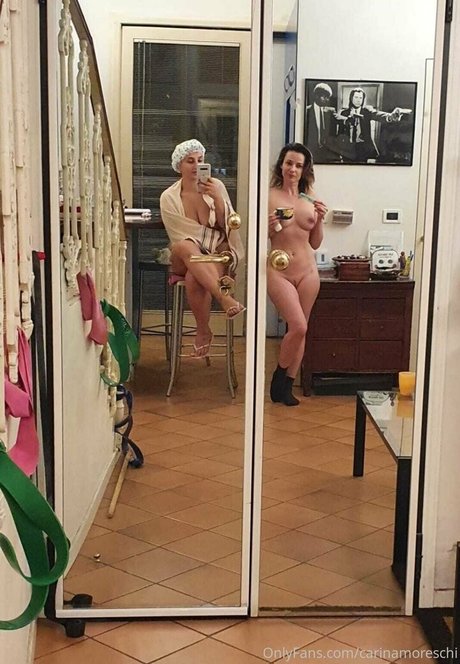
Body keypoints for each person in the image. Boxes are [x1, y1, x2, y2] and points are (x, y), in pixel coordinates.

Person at [160, 139, 245, 358]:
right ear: (179, 166)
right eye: (190, 161)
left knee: (194, 276)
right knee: (185, 245)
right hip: (183, 256)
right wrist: (202, 244)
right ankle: (224, 298)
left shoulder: (216, 187)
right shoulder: (168, 197)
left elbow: (229, 226)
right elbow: (178, 234)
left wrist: (218, 199)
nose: (196, 165)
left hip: (214, 254)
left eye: (200, 160)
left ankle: (203, 331)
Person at [267, 142, 327, 406]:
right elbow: (262, 237)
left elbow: (315, 243)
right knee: (298, 325)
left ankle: (287, 386)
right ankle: (279, 376)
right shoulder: (269, 196)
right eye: (289, 163)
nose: (293, 169)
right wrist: (270, 227)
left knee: (301, 330)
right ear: (281, 165)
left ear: (304, 170)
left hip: (307, 271)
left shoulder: (309, 199)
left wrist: (320, 219)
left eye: (298, 165)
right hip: (279, 270)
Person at [336, 87, 404, 162]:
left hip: (363, 147)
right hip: (348, 148)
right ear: (351, 98)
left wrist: (391, 116)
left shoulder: (367, 111)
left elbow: (378, 114)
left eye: (360, 98)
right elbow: (340, 132)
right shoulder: (344, 113)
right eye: (356, 97)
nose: (358, 100)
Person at [304, 83, 339, 162]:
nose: (327, 100)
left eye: (328, 97)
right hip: (311, 151)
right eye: (324, 97)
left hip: (327, 151)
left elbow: (334, 130)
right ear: (316, 96)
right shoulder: (307, 111)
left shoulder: (330, 111)